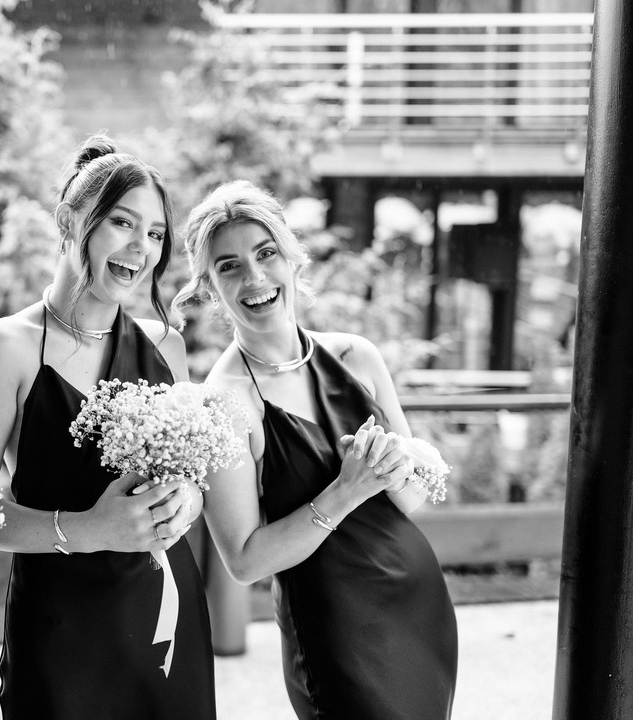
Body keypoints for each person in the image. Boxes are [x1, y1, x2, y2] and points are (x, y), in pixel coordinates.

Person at [0, 135, 216, 720]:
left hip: (166, 622)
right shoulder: (5, 349)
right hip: (61, 633)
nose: (141, 248)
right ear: (71, 222)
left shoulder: (165, 346)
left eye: (154, 233)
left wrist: (189, 499)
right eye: (123, 223)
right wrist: (88, 529)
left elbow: (187, 479)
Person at [174, 180, 457, 720]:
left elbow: (410, 501)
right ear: (209, 287)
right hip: (335, 632)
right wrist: (346, 491)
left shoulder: (359, 357)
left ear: (293, 259)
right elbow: (244, 560)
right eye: (229, 266)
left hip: (417, 607)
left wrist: (396, 470)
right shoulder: (224, 403)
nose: (255, 278)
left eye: (265, 254)